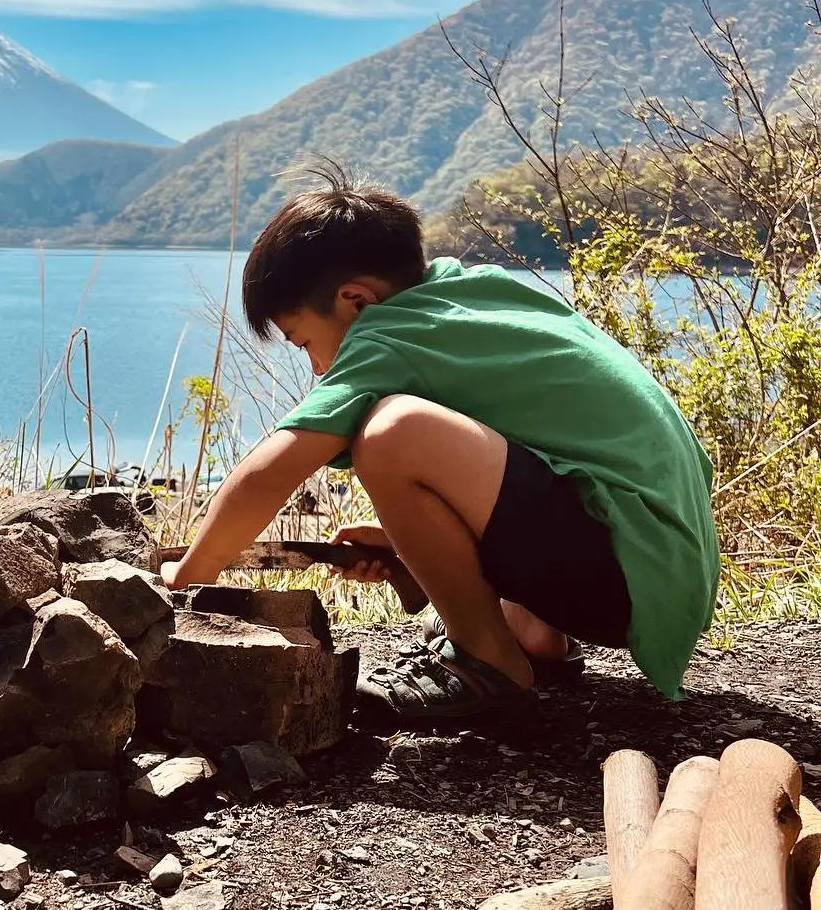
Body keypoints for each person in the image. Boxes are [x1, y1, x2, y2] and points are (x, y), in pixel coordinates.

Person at [158, 159, 719, 724]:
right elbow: (533, 456)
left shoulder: (386, 334)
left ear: (357, 300)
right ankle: (531, 633)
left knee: (392, 430)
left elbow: (271, 471)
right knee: (429, 427)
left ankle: (487, 663)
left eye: (305, 342)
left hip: (620, 576)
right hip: (662, 567)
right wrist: (417, 542)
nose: (315, 367)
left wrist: (189, 574)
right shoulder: (465, 294)